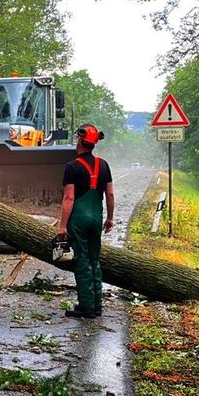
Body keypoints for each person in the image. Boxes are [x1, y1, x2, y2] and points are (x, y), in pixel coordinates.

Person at [56, 123, 115, 318]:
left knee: (81, 260)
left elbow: (69, 198)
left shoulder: (72, 167)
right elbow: (110, 194)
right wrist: (110, 218)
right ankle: (97, 305)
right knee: (94, 259)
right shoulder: (104, 165)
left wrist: (62, 226)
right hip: (96, 218)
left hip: (79, 220)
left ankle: (86, 307)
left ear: (80, 140)